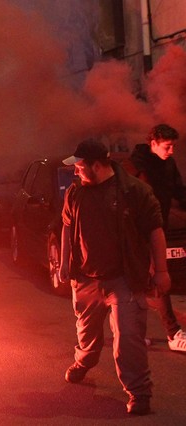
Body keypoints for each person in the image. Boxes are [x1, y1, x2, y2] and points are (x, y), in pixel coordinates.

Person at [59, 139, 170, 416]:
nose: (76, 172)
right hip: (86, 279)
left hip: (124, 279)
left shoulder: (134, 191)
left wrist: (162, 271)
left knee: (129, 337)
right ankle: (84, 361)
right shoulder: (75, 193)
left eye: (81, 167)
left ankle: (139, 393)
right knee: (87, 336)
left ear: (98, 166)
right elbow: (66, 226)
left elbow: (155, 230)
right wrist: (63, 264)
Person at [121, 124, 186, 352]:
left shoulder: (168, 164)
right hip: (140, 233)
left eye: (173, 147)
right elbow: (121, 192)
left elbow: (179, 190)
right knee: (159, 279)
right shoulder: (137, 164)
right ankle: (173, 333)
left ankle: (134, 333)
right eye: (167, 146)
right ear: (154, 143)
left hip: (159, 228)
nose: (171, 151)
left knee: (143, 283)